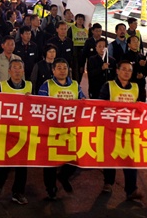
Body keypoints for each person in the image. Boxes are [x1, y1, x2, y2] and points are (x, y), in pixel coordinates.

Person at [38, 58, 86, 200]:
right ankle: (50, 188)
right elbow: (40, 105)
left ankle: (64, 176)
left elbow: (82, 102)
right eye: (58, 68)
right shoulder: (47, 85)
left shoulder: (75, 85)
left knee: (76, 157)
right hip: (52, 131)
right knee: (50, 162)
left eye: (64, 68)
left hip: (70, 130)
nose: (62, 70)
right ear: (53, 70)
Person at [98, 60, 143, 201]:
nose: (127, 72)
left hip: (129, 131)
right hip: (111, 130)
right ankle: (108, 182)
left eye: (129, 70)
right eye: (124, 69)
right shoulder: (109, 86)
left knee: (130, 160)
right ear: (117, 71)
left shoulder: (136, 87)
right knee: (110, 157)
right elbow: (100, 106)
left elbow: (142, 109)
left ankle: (131, 189)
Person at [0, 60, 32, 205]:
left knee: (22, 164)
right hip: (6, 131)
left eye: (20, 68)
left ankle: (18, 192)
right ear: (9, 71)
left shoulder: (29, 86)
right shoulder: (2, 86)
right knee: (5, 163)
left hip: (23, 131)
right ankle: (1, 181)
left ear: (23, 71)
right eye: (14, 68)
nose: (17, 71)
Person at [125, 35, 147, 102]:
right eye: (134, 41)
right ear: (129, 44)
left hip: (141, 85)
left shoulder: (142, 56)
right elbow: (125, 70)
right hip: (130, 85)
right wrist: (138, 65)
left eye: (137, 41)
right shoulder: (125, 56)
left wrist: (143, 75)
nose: (136, 43)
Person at [67, 14, 88, 82]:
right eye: (78, 19)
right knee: (75, 69)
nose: (80, 21)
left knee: (81, 69)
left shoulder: (86, 29)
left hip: (83, 51)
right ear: (76, 20)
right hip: (74, 51)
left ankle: (79, 83)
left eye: (81, 19)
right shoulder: (72, 28)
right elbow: (68, 39)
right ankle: (75, 82)